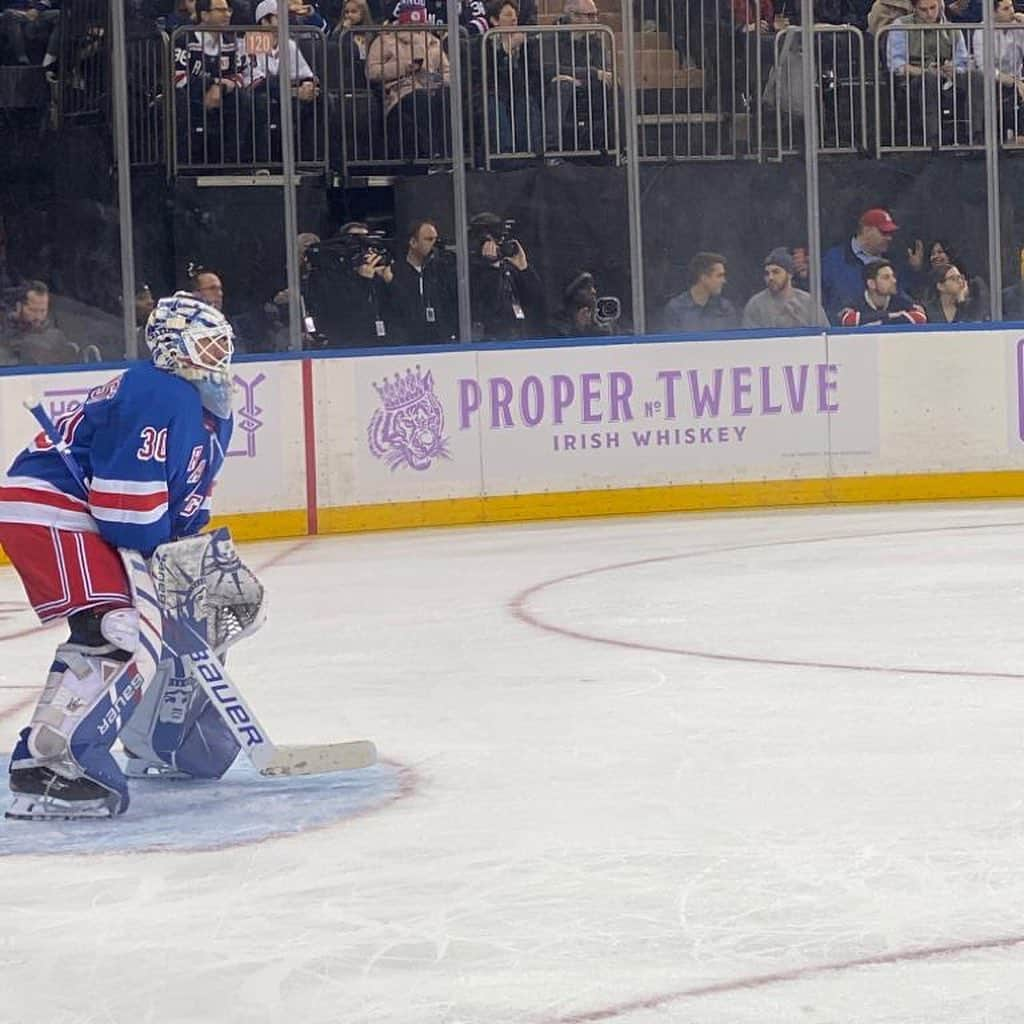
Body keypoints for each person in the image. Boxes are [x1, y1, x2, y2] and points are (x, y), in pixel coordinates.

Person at [0, 292, 239, 820]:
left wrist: (184, 554)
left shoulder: (205, 410)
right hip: (52, 506)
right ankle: (55, 767)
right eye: (206, 344)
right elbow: (124, 511)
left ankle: (54, 759)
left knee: (108, 632)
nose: (219, 356)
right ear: (173, 348)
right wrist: (162, 550)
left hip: (66, 511)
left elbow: (183, 507)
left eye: (223, 343)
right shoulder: (160, 392)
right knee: (119, 630)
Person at [304, 221, 396, 346]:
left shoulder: (378, 276)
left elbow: (399, 311)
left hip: (380, 345)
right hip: (348, 348)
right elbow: (343, 315)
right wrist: (363, 281)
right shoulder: (331, 278)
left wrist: (390, 282)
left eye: (366, 243)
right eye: (357, 244)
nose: (363, 250)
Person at [821, 207, 912, 321]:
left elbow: (902, 298)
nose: (889, 238)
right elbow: (819, 299)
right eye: (883, 232)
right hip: (842, 333)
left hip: (887, 332)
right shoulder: (832, 259)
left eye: (890, 234)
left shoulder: (894, 260)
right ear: (867, 230)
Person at [467, 211, 543, 340]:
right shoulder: (470, 270)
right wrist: (491, 268)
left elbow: (536, 300)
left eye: (501, 239)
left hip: (517, 337)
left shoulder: (507, 268)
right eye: (494, 240)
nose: (498, 245)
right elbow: (487, 307)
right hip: (489, 342)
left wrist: (524, 268)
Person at [388, 218, 457, 344]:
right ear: (413, 242)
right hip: (406, 343)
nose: (434, 244)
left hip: (440, 342)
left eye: (435, 239)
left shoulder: (441, 271)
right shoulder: (394, 272)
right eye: (429, 239)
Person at [742, 248, 829, 329]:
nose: (770, 277)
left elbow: (825, 334)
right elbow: (748, 341)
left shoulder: (808, 303)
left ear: (790, 274)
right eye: (767, 273)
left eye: (776, 272)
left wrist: (800, 318)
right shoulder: (755, 305)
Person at [1, 280, 78, 365]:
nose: (38, 317)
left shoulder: (56, 337)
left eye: (43, 311)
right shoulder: (4, 334)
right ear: (19, 307)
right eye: (33, 310)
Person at [659, 252, 739, 333]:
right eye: (719, 276)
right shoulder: (676, 309)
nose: (724, 281)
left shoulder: (725, 308)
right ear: (703, 278)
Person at [838, 259, 927, 326]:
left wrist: (876, 320)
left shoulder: (901, 300)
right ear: (871, 283)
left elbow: (920, 316)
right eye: (886, 277)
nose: (894, 281)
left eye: (893, 276)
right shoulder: (855, 302)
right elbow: (848, 319)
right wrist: (893, 315)